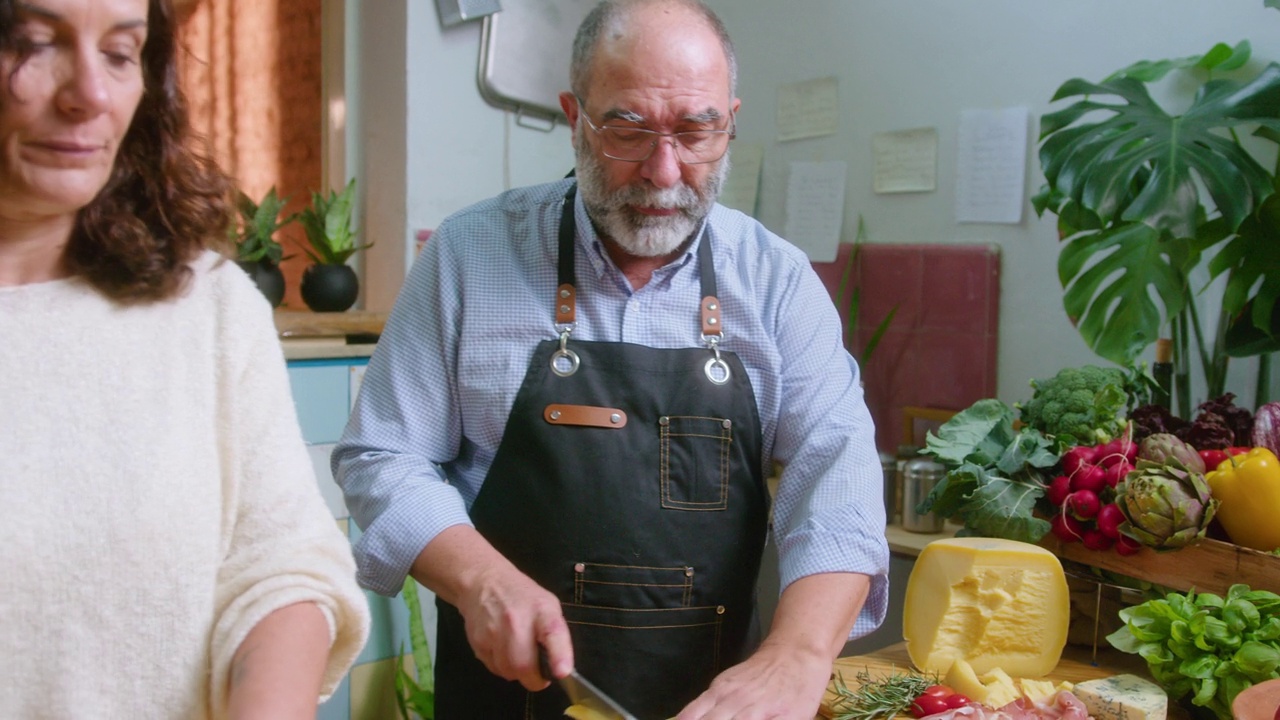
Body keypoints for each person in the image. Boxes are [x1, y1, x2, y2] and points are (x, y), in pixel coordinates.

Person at [334, 0, 887, 717]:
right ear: (575, 117)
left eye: (696, 130)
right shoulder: (470, 257)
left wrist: (798, 655)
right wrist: (480, 583)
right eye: (627, 128)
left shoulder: (776, 283)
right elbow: (383, 456)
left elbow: (838, 487)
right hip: (509, 696)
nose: (663, 172)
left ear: (729, 121)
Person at [0, 0, 369, 717]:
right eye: (34, 43)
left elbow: (283, 566)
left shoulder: (210, 307)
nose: (90, 96)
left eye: (118, 52)